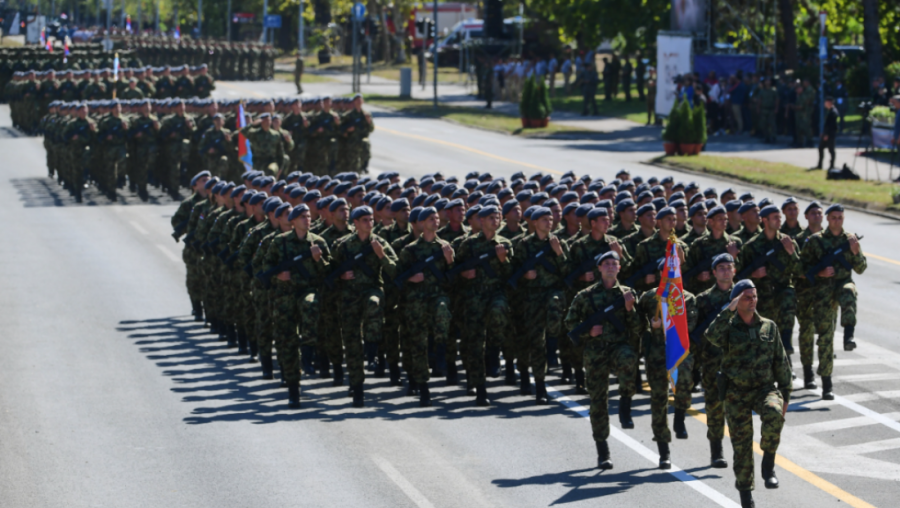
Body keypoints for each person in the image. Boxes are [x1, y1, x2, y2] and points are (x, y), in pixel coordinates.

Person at [706, 279, 792, 508]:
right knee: (741, 446)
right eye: (747, 297)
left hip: (764, 389)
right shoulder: (728, 327)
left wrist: (785, 397)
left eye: (754, 296)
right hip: (736, 392)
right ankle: (746, 495)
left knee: (774, 413)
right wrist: (728, 311)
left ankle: (769, 464)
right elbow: (711, 336)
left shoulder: (769, 326)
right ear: (736, 300)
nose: (752, 300)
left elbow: (781, 364)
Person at [564, 251, 640, 470]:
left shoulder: (627, 294)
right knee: (598, 401)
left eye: (614, 263)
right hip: (595, 352)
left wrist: (630, 309)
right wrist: (590, 332)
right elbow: (570, 325)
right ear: (598, 268)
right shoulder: (585, 296)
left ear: (619, 268)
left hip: (618, 347)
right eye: (606, 264)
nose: (610, 267)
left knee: (628, 358)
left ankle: (625, 402)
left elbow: (637, 328)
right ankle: (602, 450)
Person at [331, 206, 398, 407]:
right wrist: (341, 276)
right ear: (356, 223)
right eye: (365, 220)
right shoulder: (342, 245)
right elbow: (329, 272)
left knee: (374, 304)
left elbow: (395, 270)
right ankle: (357, 386)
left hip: (372, 290)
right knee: (351, 343)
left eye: (371, 219)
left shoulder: (380, 243)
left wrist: (381, 256)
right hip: (349, 297)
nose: (370, 223)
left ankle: (373, 345)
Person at [799, 204, 866, 399]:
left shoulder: (850, 240)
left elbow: (861, 268)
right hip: (823, 291)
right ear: (827, 219)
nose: (837, 220)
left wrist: (856, 252)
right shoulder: (815, 241)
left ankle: (849, 335)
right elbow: (800, 268)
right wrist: (818, 272)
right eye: (834, 217)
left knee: (849, 292)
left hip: (842, 285)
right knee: (825, 338)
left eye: (840, 217)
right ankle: (827, 384)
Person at [510, 206, 569, 404]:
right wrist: (525, 276)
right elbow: (513, 274)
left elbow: (567, 273)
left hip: (552, 295)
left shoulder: (558, 243)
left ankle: (542, 382)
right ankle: (528, 378)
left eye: (550, 219)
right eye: (544, 219)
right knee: (533, 342)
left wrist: (558, 252)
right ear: (535, 222)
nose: (549, 222)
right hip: (531, 298)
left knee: (545, 338)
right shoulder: (524, 245)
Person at [396, 206, 454, 407]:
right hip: (416, 303)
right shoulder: (410, 250)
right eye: (431, 218)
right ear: (421, 223)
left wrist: (449, 260)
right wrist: (411, 278)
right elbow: (398, 280)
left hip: (437, 297)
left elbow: (453, 279)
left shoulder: (445, 247)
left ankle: (440, 348)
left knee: (442, 311)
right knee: (417, 346)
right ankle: (423, 387)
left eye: (437, 218)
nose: (435, 221)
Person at [814, 96, 838, 170]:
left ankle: (831, 165)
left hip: (830, 135)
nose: (824, 104)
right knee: (821, 148)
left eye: (826, 102)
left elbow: (832, 125)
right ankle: (820, 165)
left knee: (831, 150)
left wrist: (826, 134)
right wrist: (823, 133)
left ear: (829, 103)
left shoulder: (833, 112)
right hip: (827, 134)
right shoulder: (830, 111)